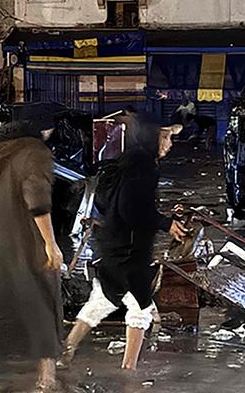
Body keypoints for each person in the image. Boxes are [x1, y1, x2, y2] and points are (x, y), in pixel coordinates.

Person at [61, 114, 187, 371]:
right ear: (152, 138)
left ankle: (67, 351)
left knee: (103, 300)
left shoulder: (132, 161)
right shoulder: (144, 167)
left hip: (114, 246)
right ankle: (129, 371)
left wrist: (165, 217)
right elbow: (133, 210)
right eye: (166, 137)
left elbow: (129, 205)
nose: (169, 144)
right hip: (129, 252)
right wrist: (165, 223)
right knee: (140, 308)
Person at [0, 106, 65, 392]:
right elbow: (38, 202)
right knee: (43, 307)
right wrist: (51, 245)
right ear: (41, 128)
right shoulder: (35, 152)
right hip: (23, 246)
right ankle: (46, 380)